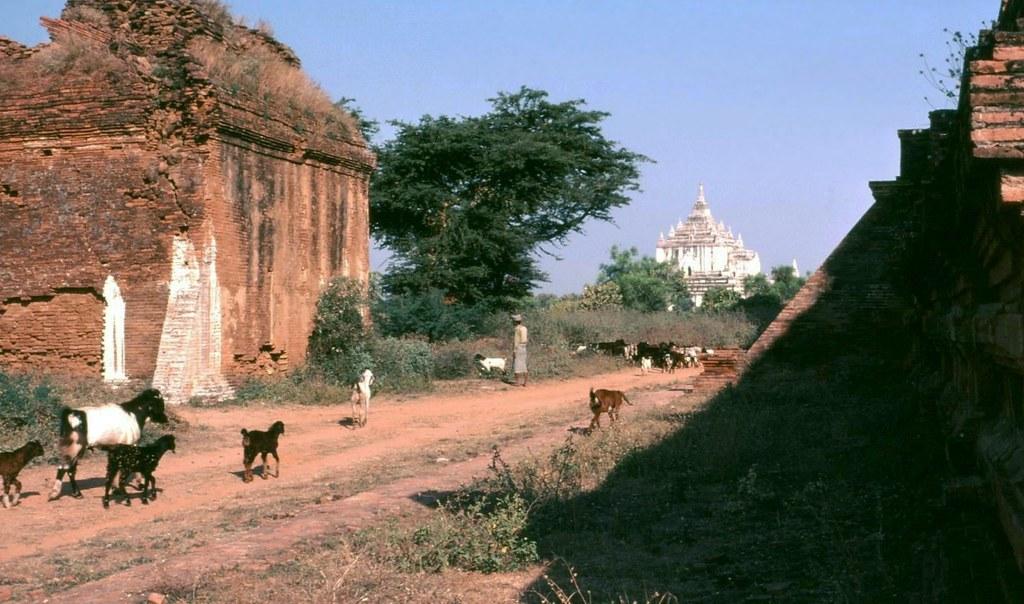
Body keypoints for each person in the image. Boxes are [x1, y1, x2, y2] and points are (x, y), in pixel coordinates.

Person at [512, 314, 528, 387]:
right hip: (524, 347)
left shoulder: (517, 329)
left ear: (515, 321)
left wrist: (514, 350)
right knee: (523, 364)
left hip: (518, 347)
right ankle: (525, 382)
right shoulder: (524, 328)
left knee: (517, 365)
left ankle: (517, 382)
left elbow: (516, 341)